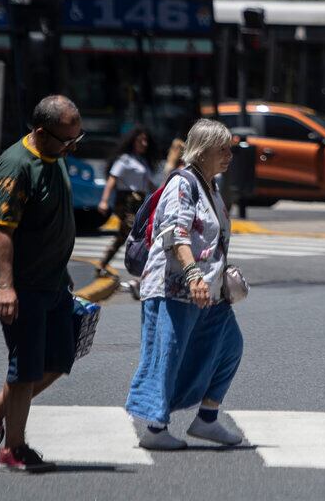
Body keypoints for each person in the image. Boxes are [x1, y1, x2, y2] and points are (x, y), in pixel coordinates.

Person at [125, 119, 244, 451]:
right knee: (168, 354)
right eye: (222, 149)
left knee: (230, 346)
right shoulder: (183, 184)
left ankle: (207, 418)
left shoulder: (211, 187)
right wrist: (193, 274)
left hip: (209, 291)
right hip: (174, 288)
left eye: (229, 149)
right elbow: (175, 233)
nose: (229, 155)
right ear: (202, 151)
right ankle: (155, 427)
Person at [0, 96, 83, 472]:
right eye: (67, 140)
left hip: (54, 282)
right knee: (26, 368)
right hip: (25, 285)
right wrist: (5, 286)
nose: (72, 147)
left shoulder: (54, 154)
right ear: (42, 133)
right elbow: (1, 230)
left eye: (77, 138)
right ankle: (13, 448)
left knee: (60, 359)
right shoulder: (17, 165)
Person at [96, 127, 159, 277]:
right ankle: (105, 264)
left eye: (145, 141)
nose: (144, 144)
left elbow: (149, 184)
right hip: (127, 201)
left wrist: (162, 194)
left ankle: (106, 264)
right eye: (140, 140)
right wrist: (104, 201)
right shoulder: (125, 159)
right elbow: (112, 179)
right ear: (132, 142)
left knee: (138, 232)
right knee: (130, 233)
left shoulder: (142, 161)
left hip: (140, 201)